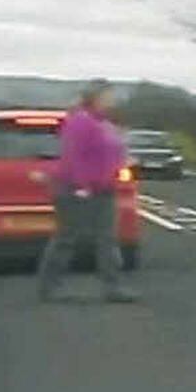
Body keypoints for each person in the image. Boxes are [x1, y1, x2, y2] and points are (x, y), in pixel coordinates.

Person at [38, 79, 138, 303]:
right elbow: (74, 156)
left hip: (104, 189)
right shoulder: (80, 122)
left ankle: (113, 287)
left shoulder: (104, 123)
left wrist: (122, 162)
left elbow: (107, 153)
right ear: (95, 97)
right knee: (67, 238)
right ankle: (49, 287)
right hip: (76, 189)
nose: (112, 100)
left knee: (107, 240)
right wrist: (82, 186)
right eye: (108, 95)